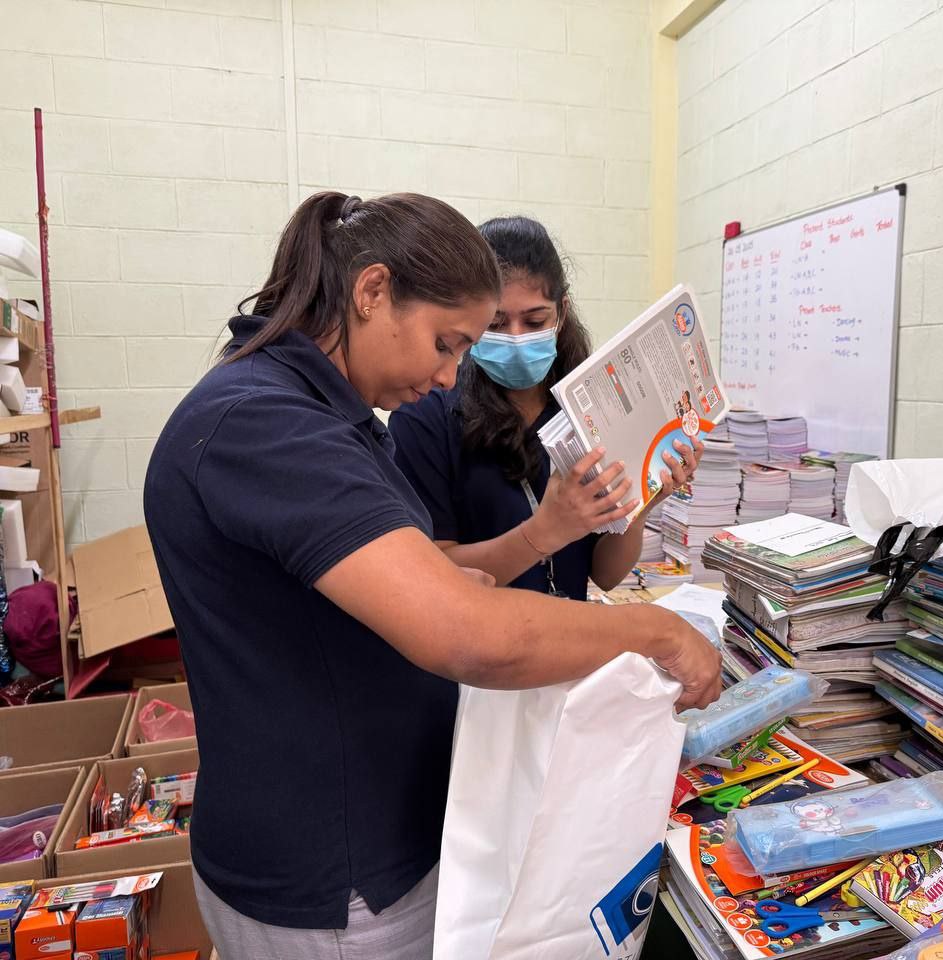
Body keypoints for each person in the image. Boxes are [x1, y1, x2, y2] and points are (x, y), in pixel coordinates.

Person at [142, 193, 721, 959]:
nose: (452, 376)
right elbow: (465, 634)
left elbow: (436, 586)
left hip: (394, 825)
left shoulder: (330, 415)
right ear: (372, 291)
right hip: (336, 878)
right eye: (448, 343)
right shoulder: (265, 425)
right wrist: (656, 629)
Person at [388, 216, 703, 599]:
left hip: (567, 641)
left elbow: (604, 575)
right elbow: (430, 575)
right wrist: (544, 532)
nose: (516, 338)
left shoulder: (588, 406)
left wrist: (645, 502)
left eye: (535, 320)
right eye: (496, 323)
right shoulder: (426, 416)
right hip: (478, 649)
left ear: (562, 313)